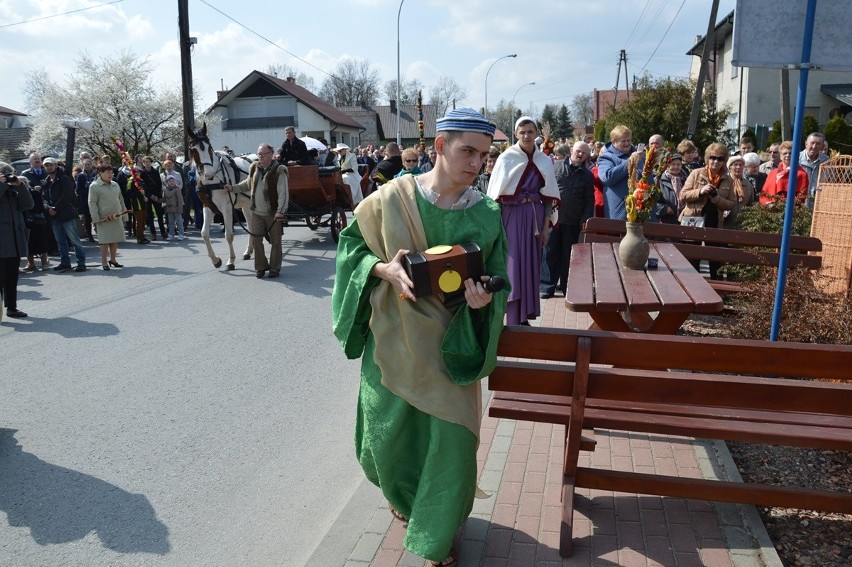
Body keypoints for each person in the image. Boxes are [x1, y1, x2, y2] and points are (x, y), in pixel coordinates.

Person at [332, 107, 507, 567]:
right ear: (439, 147)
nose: (476, 163)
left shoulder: (487, 214)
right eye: (467, 151)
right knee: (388, 440)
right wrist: (381, 268)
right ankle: (408, 500)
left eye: (484, 156)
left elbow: (498, 278)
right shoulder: (390, 199)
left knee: (450, 442)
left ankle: (437, 535)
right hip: (392, 342)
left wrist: (482, 301)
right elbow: (351, 249)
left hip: (453, 349)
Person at [487, 115, 560, 326]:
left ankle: (525, 314)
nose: (526, 135)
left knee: (532, 263)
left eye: (530, 131)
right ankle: (512, 315)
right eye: (522, 132)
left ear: (536, 133)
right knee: (514, 263)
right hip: (512, 215)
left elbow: (548, 197)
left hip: (535, 217)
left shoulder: (544, 160)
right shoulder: (506, 158)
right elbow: (496, 196)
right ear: (516, 134)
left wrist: (546, 227)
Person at [225, 144, 288, 279]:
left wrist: (280, 211)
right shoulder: (254, 167)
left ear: (271, 154)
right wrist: (232, 188)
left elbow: (283, 193)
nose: (260, 156)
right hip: (257, 213)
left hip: (273, 213)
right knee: (256, 240)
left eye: (263, 154)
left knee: (276, 242)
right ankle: (260, 267)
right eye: (259, 154)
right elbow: (247, 184)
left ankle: (274, 268)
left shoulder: (279, 170)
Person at [540, 142, 594, 299]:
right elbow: (546, 190)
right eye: (578, 151)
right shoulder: (556, 167)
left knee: (568, 254)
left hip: (573, 220)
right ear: (572, 150)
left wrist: (586, 218)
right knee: (549, 252)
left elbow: (589, 199)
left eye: (584, 153)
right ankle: (546, 286)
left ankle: (566, 286)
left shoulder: (587, 175)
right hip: (554, 218)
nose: (580, 154)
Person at [679, 142, 736, 279]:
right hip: (693, 219)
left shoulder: (728, 180)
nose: (716, 161)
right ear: (707, 159)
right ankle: (691, 287)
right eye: (713, 157)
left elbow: (731, 204)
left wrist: (716, 198)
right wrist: (700, 191)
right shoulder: (696, 173)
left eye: (720, 159)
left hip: (715, 221)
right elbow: (683, 195)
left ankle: (716, 290)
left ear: (724, 161)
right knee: (692, 259)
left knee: (715, 259)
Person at [0, 163, 34, 320]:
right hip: (2, 239)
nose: (8, 177)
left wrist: (20, 186)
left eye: (10, 174)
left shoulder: (14, 189)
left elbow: (28, 205)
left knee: (12, 275)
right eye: (5, 174)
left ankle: (11, 308)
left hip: (14, 239)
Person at [43, 157, 87, 272]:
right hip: (54, 216)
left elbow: (67, 196)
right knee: (60, 241)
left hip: (66, 214)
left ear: (56, 165)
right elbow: (44, 199)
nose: (49, 167)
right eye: (46, 165)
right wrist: (48, 208)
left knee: (74, 239)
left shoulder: (64, 178)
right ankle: (65, 262)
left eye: (51, 165)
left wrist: (55, 208)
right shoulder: (46, 181)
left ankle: (81, 262)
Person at [88, 164, 127, 270]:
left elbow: (121, 200)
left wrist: (124, 215)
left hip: (116, 216)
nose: (111, 175)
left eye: (111, 172)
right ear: (100, 173)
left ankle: (113, 259)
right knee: (104, 241)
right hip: (103, 219)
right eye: (108, 172)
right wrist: (95, 218)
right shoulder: (94, 186)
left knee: (114, 239)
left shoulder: (115, 184)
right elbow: (92, 203)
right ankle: (104, 262)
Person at [597, 124, 635, 220]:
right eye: (623, 141)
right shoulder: (607, 157)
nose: (627, 143)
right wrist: (630, 162)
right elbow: (607, 178)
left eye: (629, 140)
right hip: (620, 214)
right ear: (614, 142)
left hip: (640, 212)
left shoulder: (638, 155)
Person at [760, 140, 809, 206]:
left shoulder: (801, 174)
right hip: (770, 210)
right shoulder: (773, 173)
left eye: (791, 153)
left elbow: (801, 197)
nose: (787, 155)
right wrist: (768, 204)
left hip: (789, 211)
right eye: (785, 153)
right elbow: (764, 194)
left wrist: (783, 205)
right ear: (780, 156)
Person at [723, 155, 756, 229]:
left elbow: (751, 205)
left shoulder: (748, 185)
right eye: (735, 165)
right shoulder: (723, 182)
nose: (738, 167)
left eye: (741, 165)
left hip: (742, 225)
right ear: (730, 167)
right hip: (724, 223)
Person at [798, 132, 829, 208]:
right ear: (806, 144)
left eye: (818, 144)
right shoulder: (796, 158)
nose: (814, 146)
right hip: (798, 202)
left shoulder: (827, 161)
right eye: (812, 143)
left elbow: (829, 181)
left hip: (818, 203)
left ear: (822, 146)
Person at [656, 153, 688, 224]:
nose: (676, 167)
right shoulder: (658, 180)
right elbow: (651, 201)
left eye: (678, 164)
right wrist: (664, 209)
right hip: (665, 221)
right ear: (667, 165)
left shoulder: (686, 180)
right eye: (673, 164)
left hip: (684, 220)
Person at [140, 156, 165, 240]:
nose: (147, 163)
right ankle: (153, 233)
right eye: (145, 162)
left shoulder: (155, 171)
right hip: (148, 196)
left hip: (156, 195)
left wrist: (157, 195)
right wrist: (150, 195)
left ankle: (163, 231)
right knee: (150, 216)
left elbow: (159, 184)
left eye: (149, 161)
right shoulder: (142, 173)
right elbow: (143, 186)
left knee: (160, 214)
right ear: (143, 163)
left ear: (151, 162)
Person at [75, 157, 98, 241]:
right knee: (87, 218)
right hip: (85, 200)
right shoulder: (81, 175)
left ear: (92, 165)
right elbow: (78, 189)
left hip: (95, 199)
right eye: (85, 164)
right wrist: (87, 188)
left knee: (97, 216)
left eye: (89, 164)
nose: (87, 166)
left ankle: (100, 233)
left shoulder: (95, 175)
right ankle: (90, 235)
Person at [162, 176, 186, 241]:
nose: (171, 182)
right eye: (170, 181)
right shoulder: (165, 190)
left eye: (173, 181)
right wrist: (157, 200)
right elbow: (163, 199)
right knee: (170, 222)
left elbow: (180, 200)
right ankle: (171, 234)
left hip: (177, 209)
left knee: (179, 222)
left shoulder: (177, 189)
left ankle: (181, 234)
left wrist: (180, 209)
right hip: (169, 209)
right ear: (167, 182)